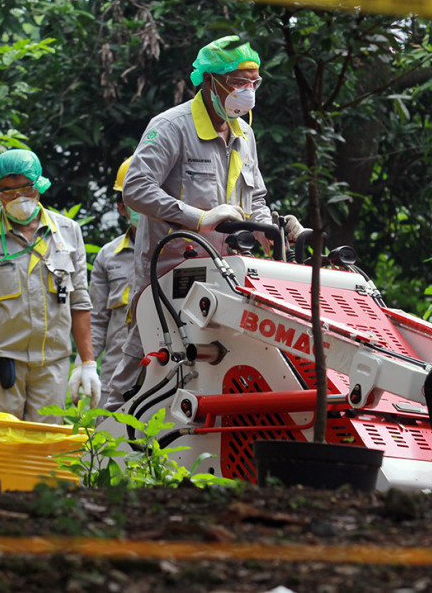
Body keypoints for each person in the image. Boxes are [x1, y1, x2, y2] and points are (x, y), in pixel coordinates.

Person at [119, 35, 304, 392]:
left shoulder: (244, 132)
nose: (247, 91)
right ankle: (108, 444)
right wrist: (196, 218)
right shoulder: (172, 126)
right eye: (238, 83)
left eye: (254, 83)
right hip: (169, 277)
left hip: (224, 280)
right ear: (209, 81)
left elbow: (256, 198)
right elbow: (136, 188)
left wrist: (269, 227)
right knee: (144, 373)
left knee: (207, 375)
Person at [0, 149, 98, 423]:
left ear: (39, 185)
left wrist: (87, 363)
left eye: (26, 188)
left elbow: (79, 302)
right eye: (8, 191)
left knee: (44, 452)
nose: (18, 198)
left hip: (52, 365)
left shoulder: (67, 232)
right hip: (0, 364)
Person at [87, 156, 141, 410]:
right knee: (108, 441)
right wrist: (85, 365)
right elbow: (97, 319)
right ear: (122, 207)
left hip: (167, 372)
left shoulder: (183, 252)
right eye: (134, 201)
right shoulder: (109, 256)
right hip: (115, 373)